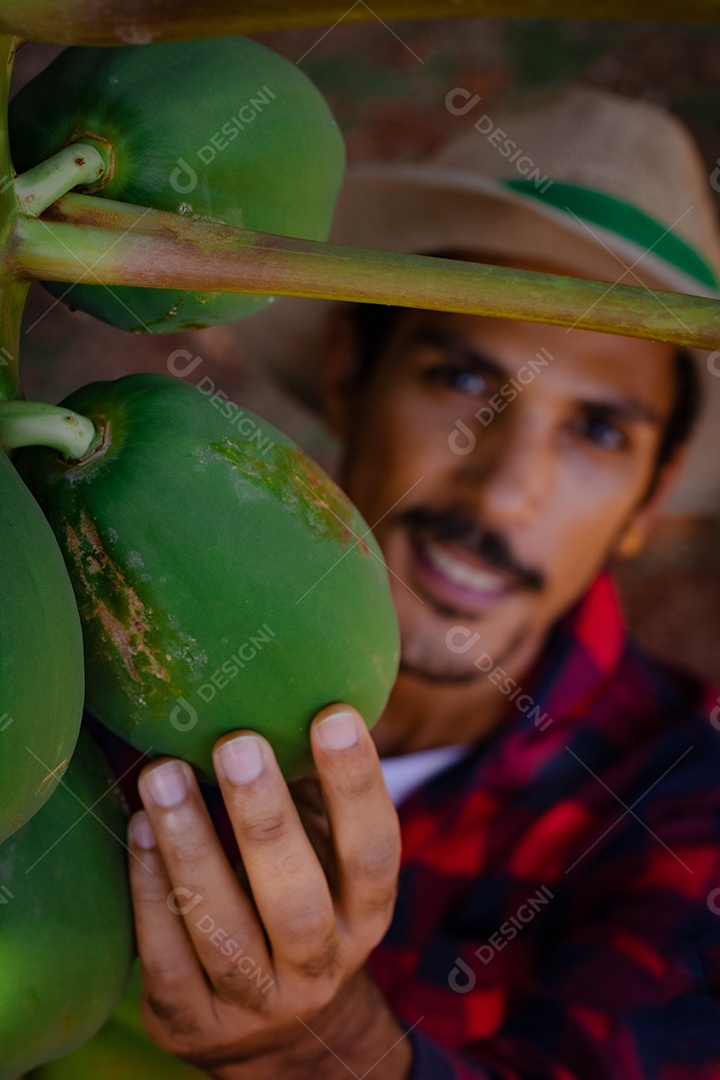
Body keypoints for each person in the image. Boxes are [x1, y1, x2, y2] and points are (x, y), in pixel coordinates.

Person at [35, 85, 720, 1079]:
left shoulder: (687, 806)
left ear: (649, 499)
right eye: (467, 380)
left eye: (599, 431)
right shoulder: (85, 620)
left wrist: (325, 1051)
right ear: (354, 372)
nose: (508, 493)